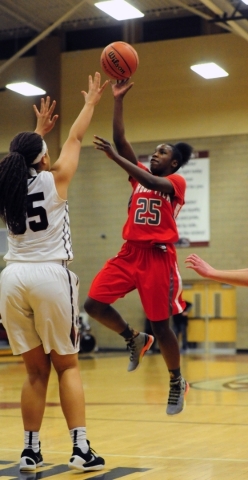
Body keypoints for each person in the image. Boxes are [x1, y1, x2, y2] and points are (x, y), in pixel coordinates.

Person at [0, 72, 108, 472]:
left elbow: (20, 158)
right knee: (67, 365)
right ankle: (80, 449)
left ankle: (30, 450)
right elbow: (76, 139)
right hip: (49, 276)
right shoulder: (55, 177)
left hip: (11, 280)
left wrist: (34, 135)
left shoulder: (6, 187)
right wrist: (91, 102)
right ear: (43, 158)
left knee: (33, 371)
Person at [84, 79, 193, 415]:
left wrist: (116, 158)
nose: (154, 154)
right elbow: (120, 139)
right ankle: (133, 338)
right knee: (93, 304)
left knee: (162, 325)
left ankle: (176, 380)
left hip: (158, 259)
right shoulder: (139, 175)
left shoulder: (174, 182)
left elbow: (148, 179)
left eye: (162, 151)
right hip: (129, 253)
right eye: (155, 150)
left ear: (173, 164)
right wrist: (118, 100)